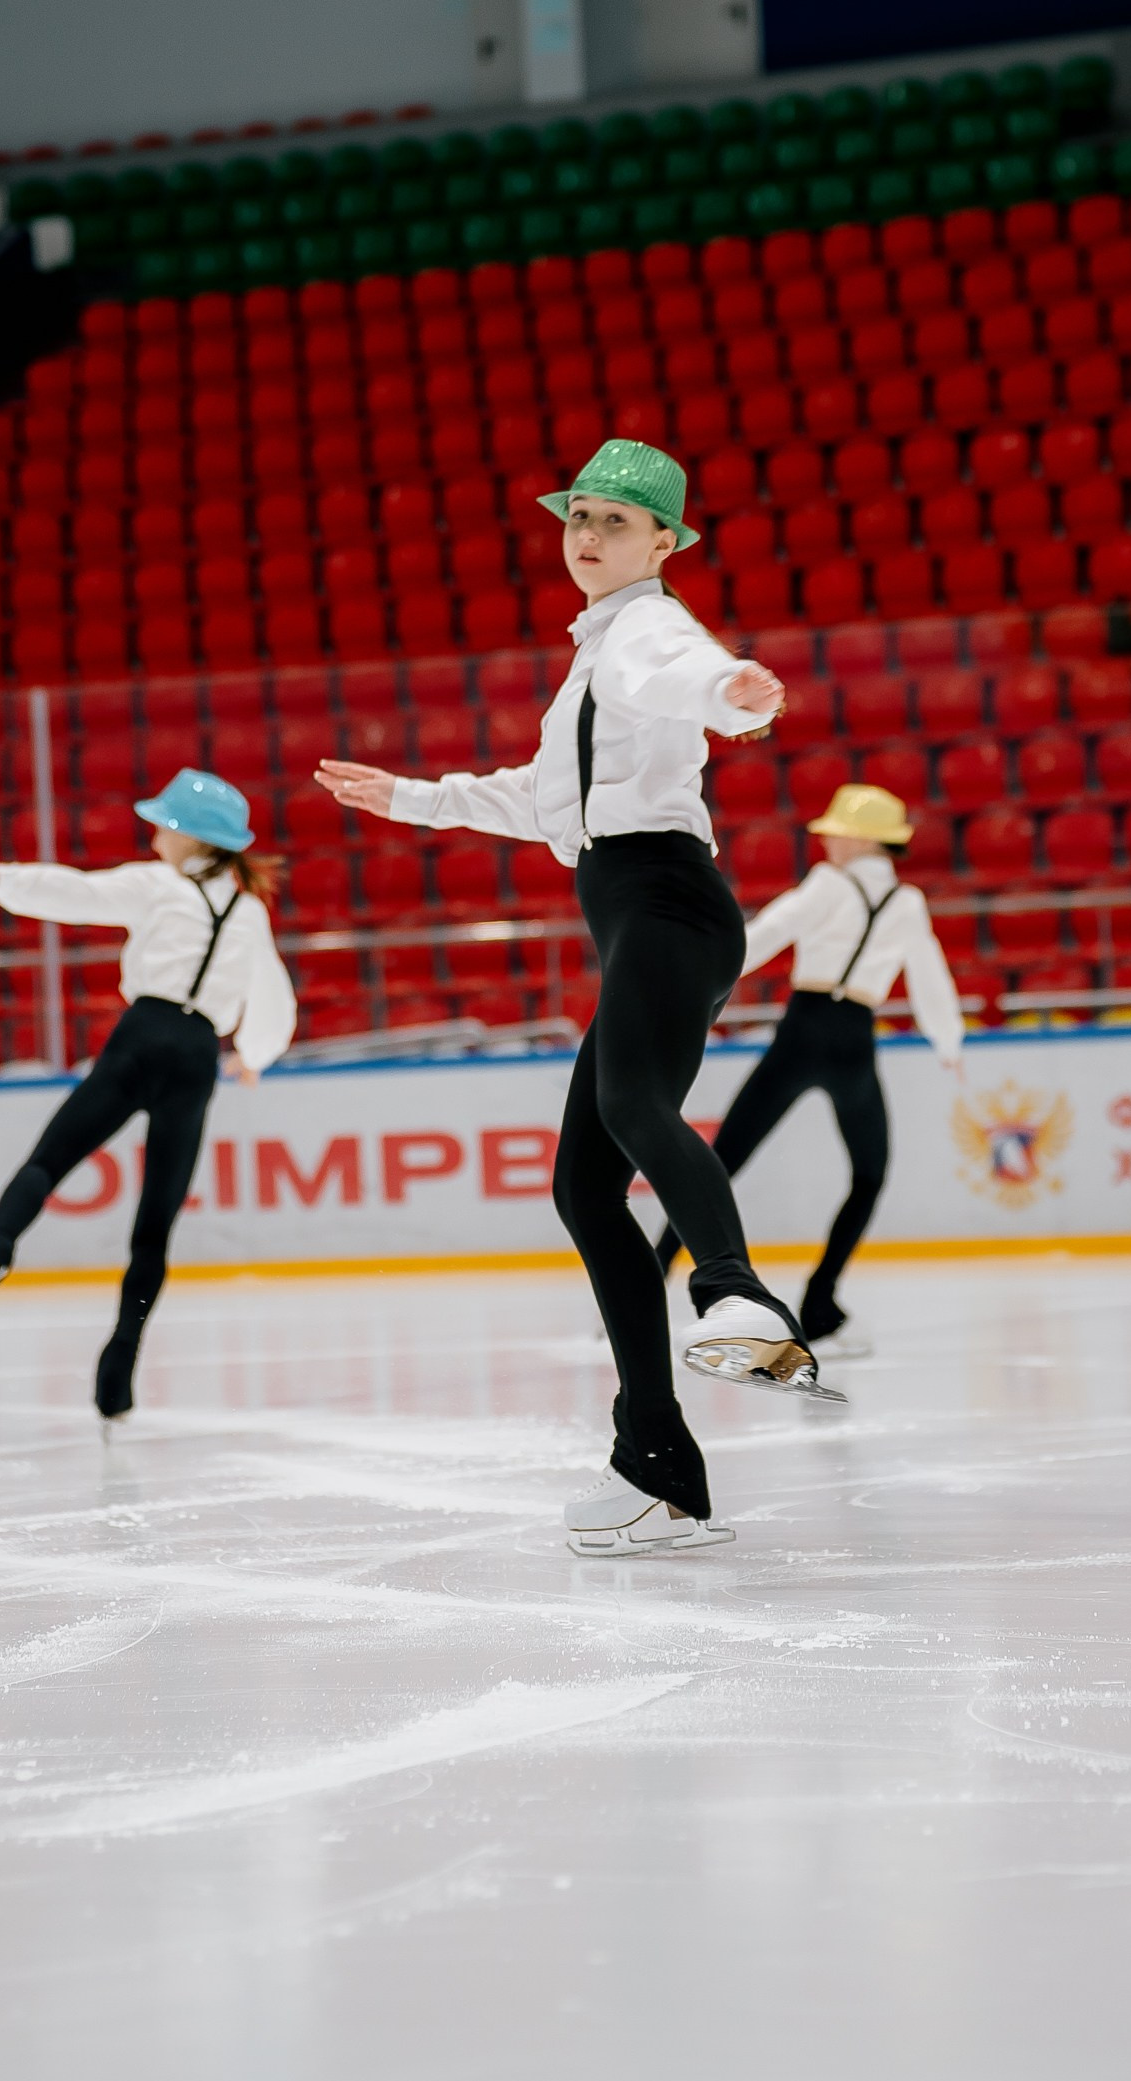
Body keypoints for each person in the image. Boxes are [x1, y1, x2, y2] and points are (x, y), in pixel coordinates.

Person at [316, 436, 832, 1563]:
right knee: (583, 1187)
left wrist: (731, 696)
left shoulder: (644, 629)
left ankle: (738, 1296)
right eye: (576, 518)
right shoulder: (591, 657)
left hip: (664, 901)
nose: (588, 535)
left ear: (663, 541)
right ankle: (654, 1466)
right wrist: (411, 796)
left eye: (614, 520)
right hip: (640, 904)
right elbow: (545, 799)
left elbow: (685, 673)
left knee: (635, 1108)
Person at [0, 768, 295, 1418]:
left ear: (185, 834)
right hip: (198, 1056)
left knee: (48, 1161)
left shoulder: (158, 886)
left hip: (142, 1035)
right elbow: (275, 1000)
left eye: (161, 822)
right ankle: (118, 1371)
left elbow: (76, 894)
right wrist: (254, 1056)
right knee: (154, 1229)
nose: (152, 831)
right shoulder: (250, 910)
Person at [653, 783, 965, 1350]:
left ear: (865, 839)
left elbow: (768, 934)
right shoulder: (909, 901)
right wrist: (948, 1043)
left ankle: (651, 1278)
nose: (827, 841)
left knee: (721, 1161)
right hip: (854, 1042)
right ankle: (820, 1303)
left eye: (838, 832)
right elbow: (930, 979)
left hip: (803, 1032)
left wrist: (698, 981)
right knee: (869, 1175)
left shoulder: (828, 885)